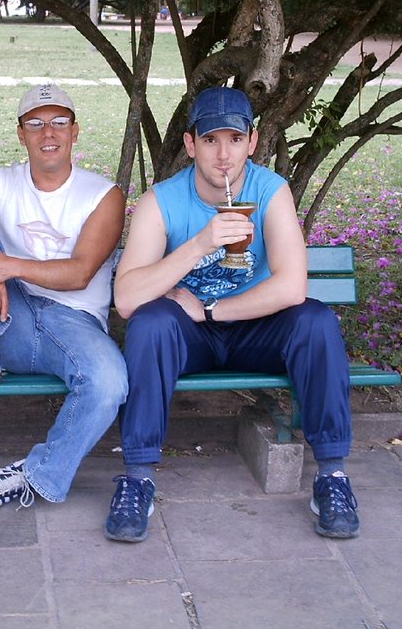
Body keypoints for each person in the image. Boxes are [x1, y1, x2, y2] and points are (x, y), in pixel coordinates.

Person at [105, 86, 360, 542]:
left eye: (235, 140)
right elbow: (126, 298)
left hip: (250, 327)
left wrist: (209, 308)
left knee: (316, 321)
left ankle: (333, 477)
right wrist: (201, 244)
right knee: (149, 324)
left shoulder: (270, 191)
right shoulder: (160, 201)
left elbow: (291, 287)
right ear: (190, 144)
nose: (224, 155)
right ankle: (138, 476)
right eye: (210, 140)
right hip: (191, 336)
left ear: (252, 142)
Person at [0, 83, 128, 510]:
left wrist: (6, 267)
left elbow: (79, 273)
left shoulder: (103, 195)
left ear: (76, 131)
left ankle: (34, 475)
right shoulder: (1, 181)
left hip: (72, 324)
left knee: (109, 382)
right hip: (4, 319)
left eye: (58, 122)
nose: (47, 133)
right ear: (21, 133)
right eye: (35, 123)